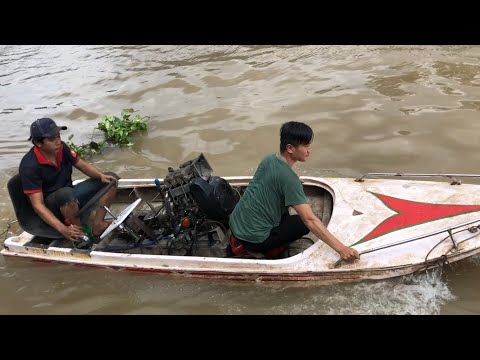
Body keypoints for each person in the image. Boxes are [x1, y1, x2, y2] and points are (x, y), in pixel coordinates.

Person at [229, 121, 359, 262]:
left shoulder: (269, 159)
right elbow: (310, 220)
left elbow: (273, 179)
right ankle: (255, 251)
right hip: (253, 239)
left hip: (236, 223)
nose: (309, 150)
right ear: (290, 148)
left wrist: (291, 180)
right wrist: (342, 249)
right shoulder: (289, 180)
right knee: (301, 224)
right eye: (306, 146)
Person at [19, 117, 119, 243]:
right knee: (65, 193)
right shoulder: (29, 166)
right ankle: (80, 235)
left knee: (111, 180)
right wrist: (63, 229)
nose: (58, 141)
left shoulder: (62, 148)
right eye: (52, 139)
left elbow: (82, 165)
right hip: (52, 207)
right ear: (38, 143)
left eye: (58, 136)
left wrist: (100, 176)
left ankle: (98, 225)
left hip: (69, 196)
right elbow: (38, 206)